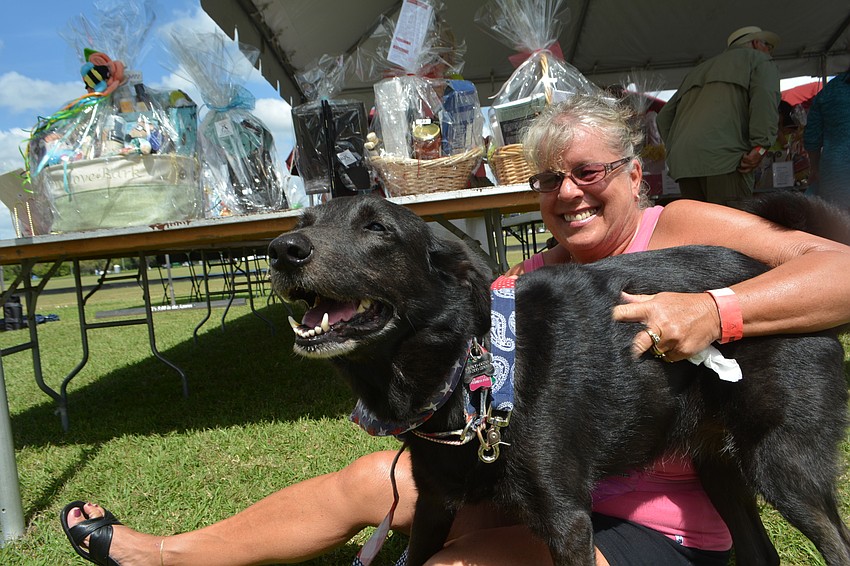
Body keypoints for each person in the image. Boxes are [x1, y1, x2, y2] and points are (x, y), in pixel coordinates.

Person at [62, 93, 850, 566]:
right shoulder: (531, 284)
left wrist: (716, 310)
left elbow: (839, 272)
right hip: (556, 480)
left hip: (664, 517)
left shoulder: (683, 227)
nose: (568, 193)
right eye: (546, 180)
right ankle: (161, 553)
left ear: (634, 173)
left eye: (589, 171)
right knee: (378, 480)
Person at [656, 26, 781, 208]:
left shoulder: (697, 71)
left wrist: (678, 151)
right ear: (756, 43)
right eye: (768, 46)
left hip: (685, 164)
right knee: (729, 232)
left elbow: (663, 117)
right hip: (727, 161)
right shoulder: (759, 60)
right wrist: (760, 147)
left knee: (699, 231)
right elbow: (764, 98)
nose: (770, 51)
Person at [803, 69, 850, 209]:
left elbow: (812, 138)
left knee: (838, 224)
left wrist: (814, 168)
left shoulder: (830, 90)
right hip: (837, 172)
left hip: (836, 172)